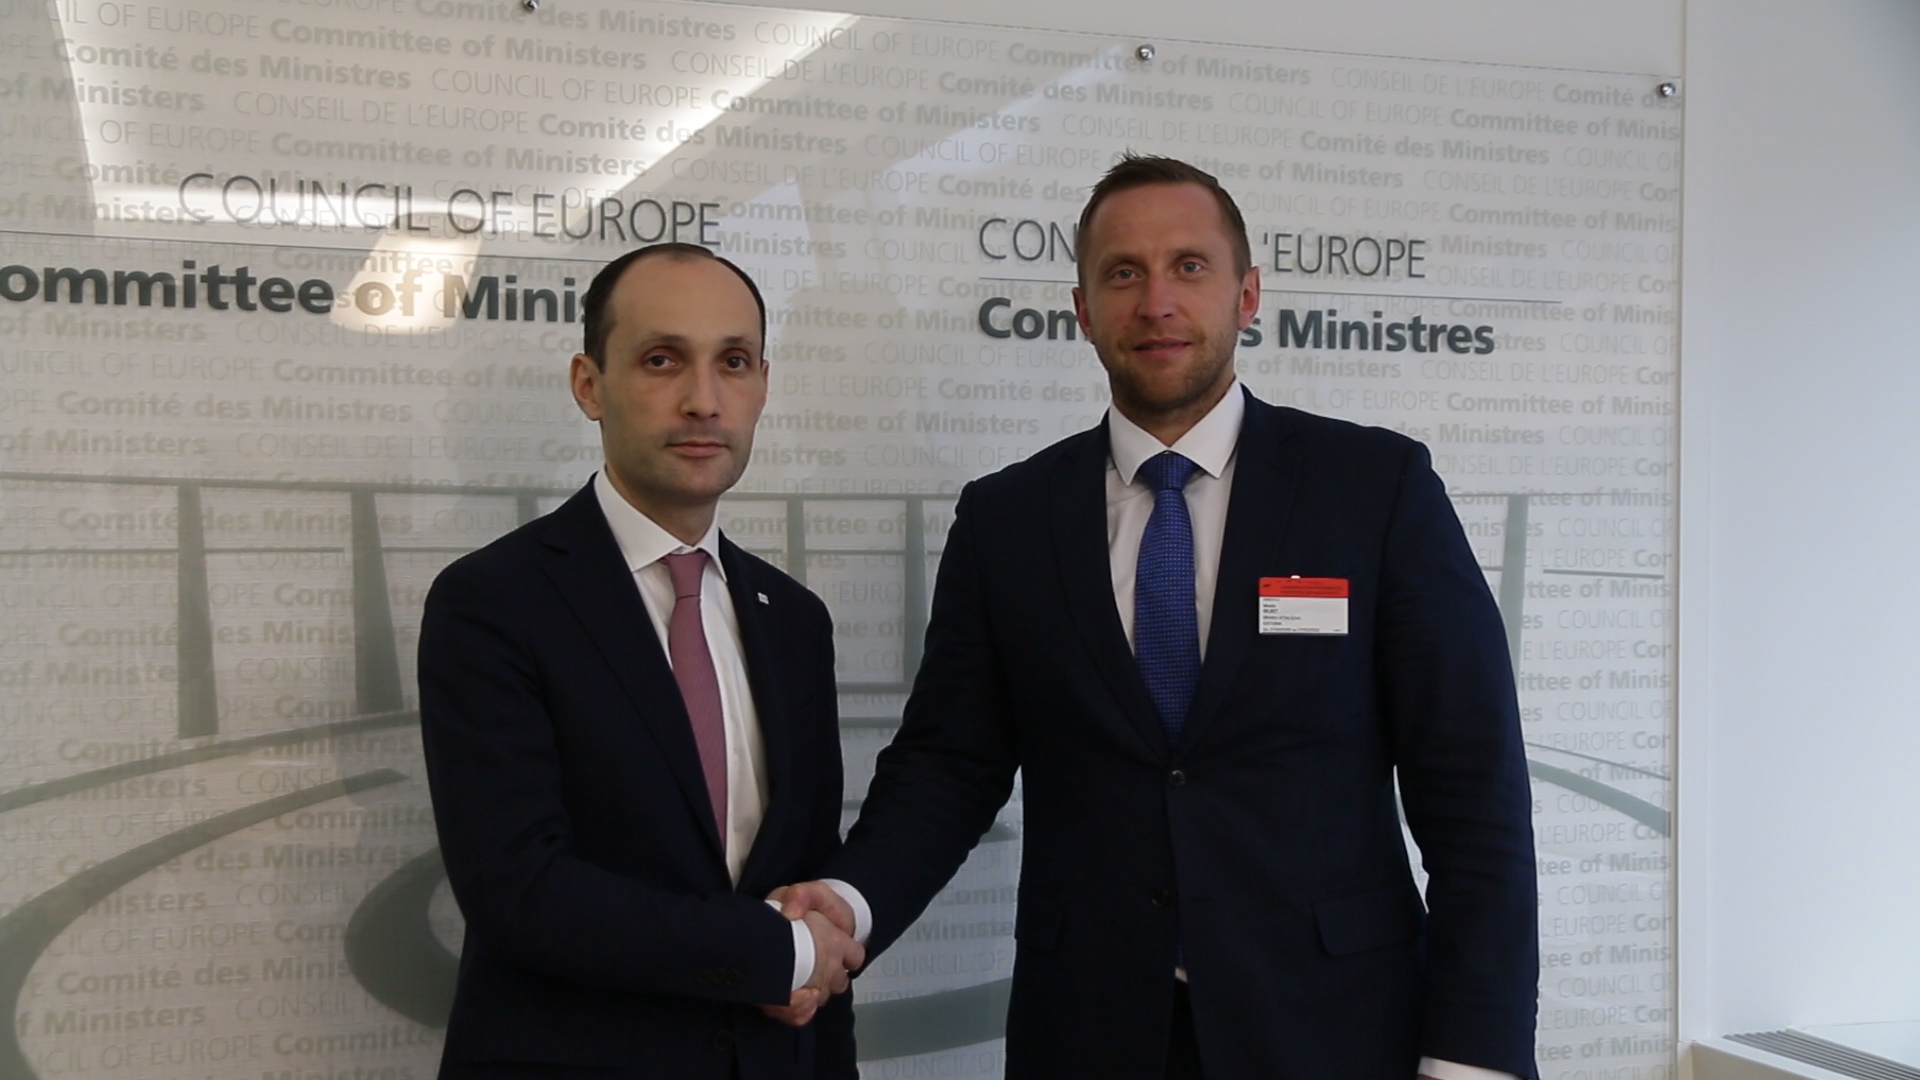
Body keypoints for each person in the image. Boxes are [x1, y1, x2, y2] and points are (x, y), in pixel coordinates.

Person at [779, 156, 1539, 1080]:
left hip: (1336, 1030)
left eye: (1189, 266)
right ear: (1083, 309)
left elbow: (1473, 790)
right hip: (1090, 1032)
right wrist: (850, 903)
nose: (1157, 302)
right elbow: (949, 765)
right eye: (1123, 273)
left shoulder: (1375, 490)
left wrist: (1475, 1056)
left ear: (1247, 294)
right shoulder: (1006, 520)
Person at [418, 243, 863, 1080]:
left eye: (733, 362)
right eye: (662, 360)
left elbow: (808, 889)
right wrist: (775, 952)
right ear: (589, 384)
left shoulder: (795, 621)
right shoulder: (492, 602)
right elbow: (520, 889)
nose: (703, 400)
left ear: (763, 385)